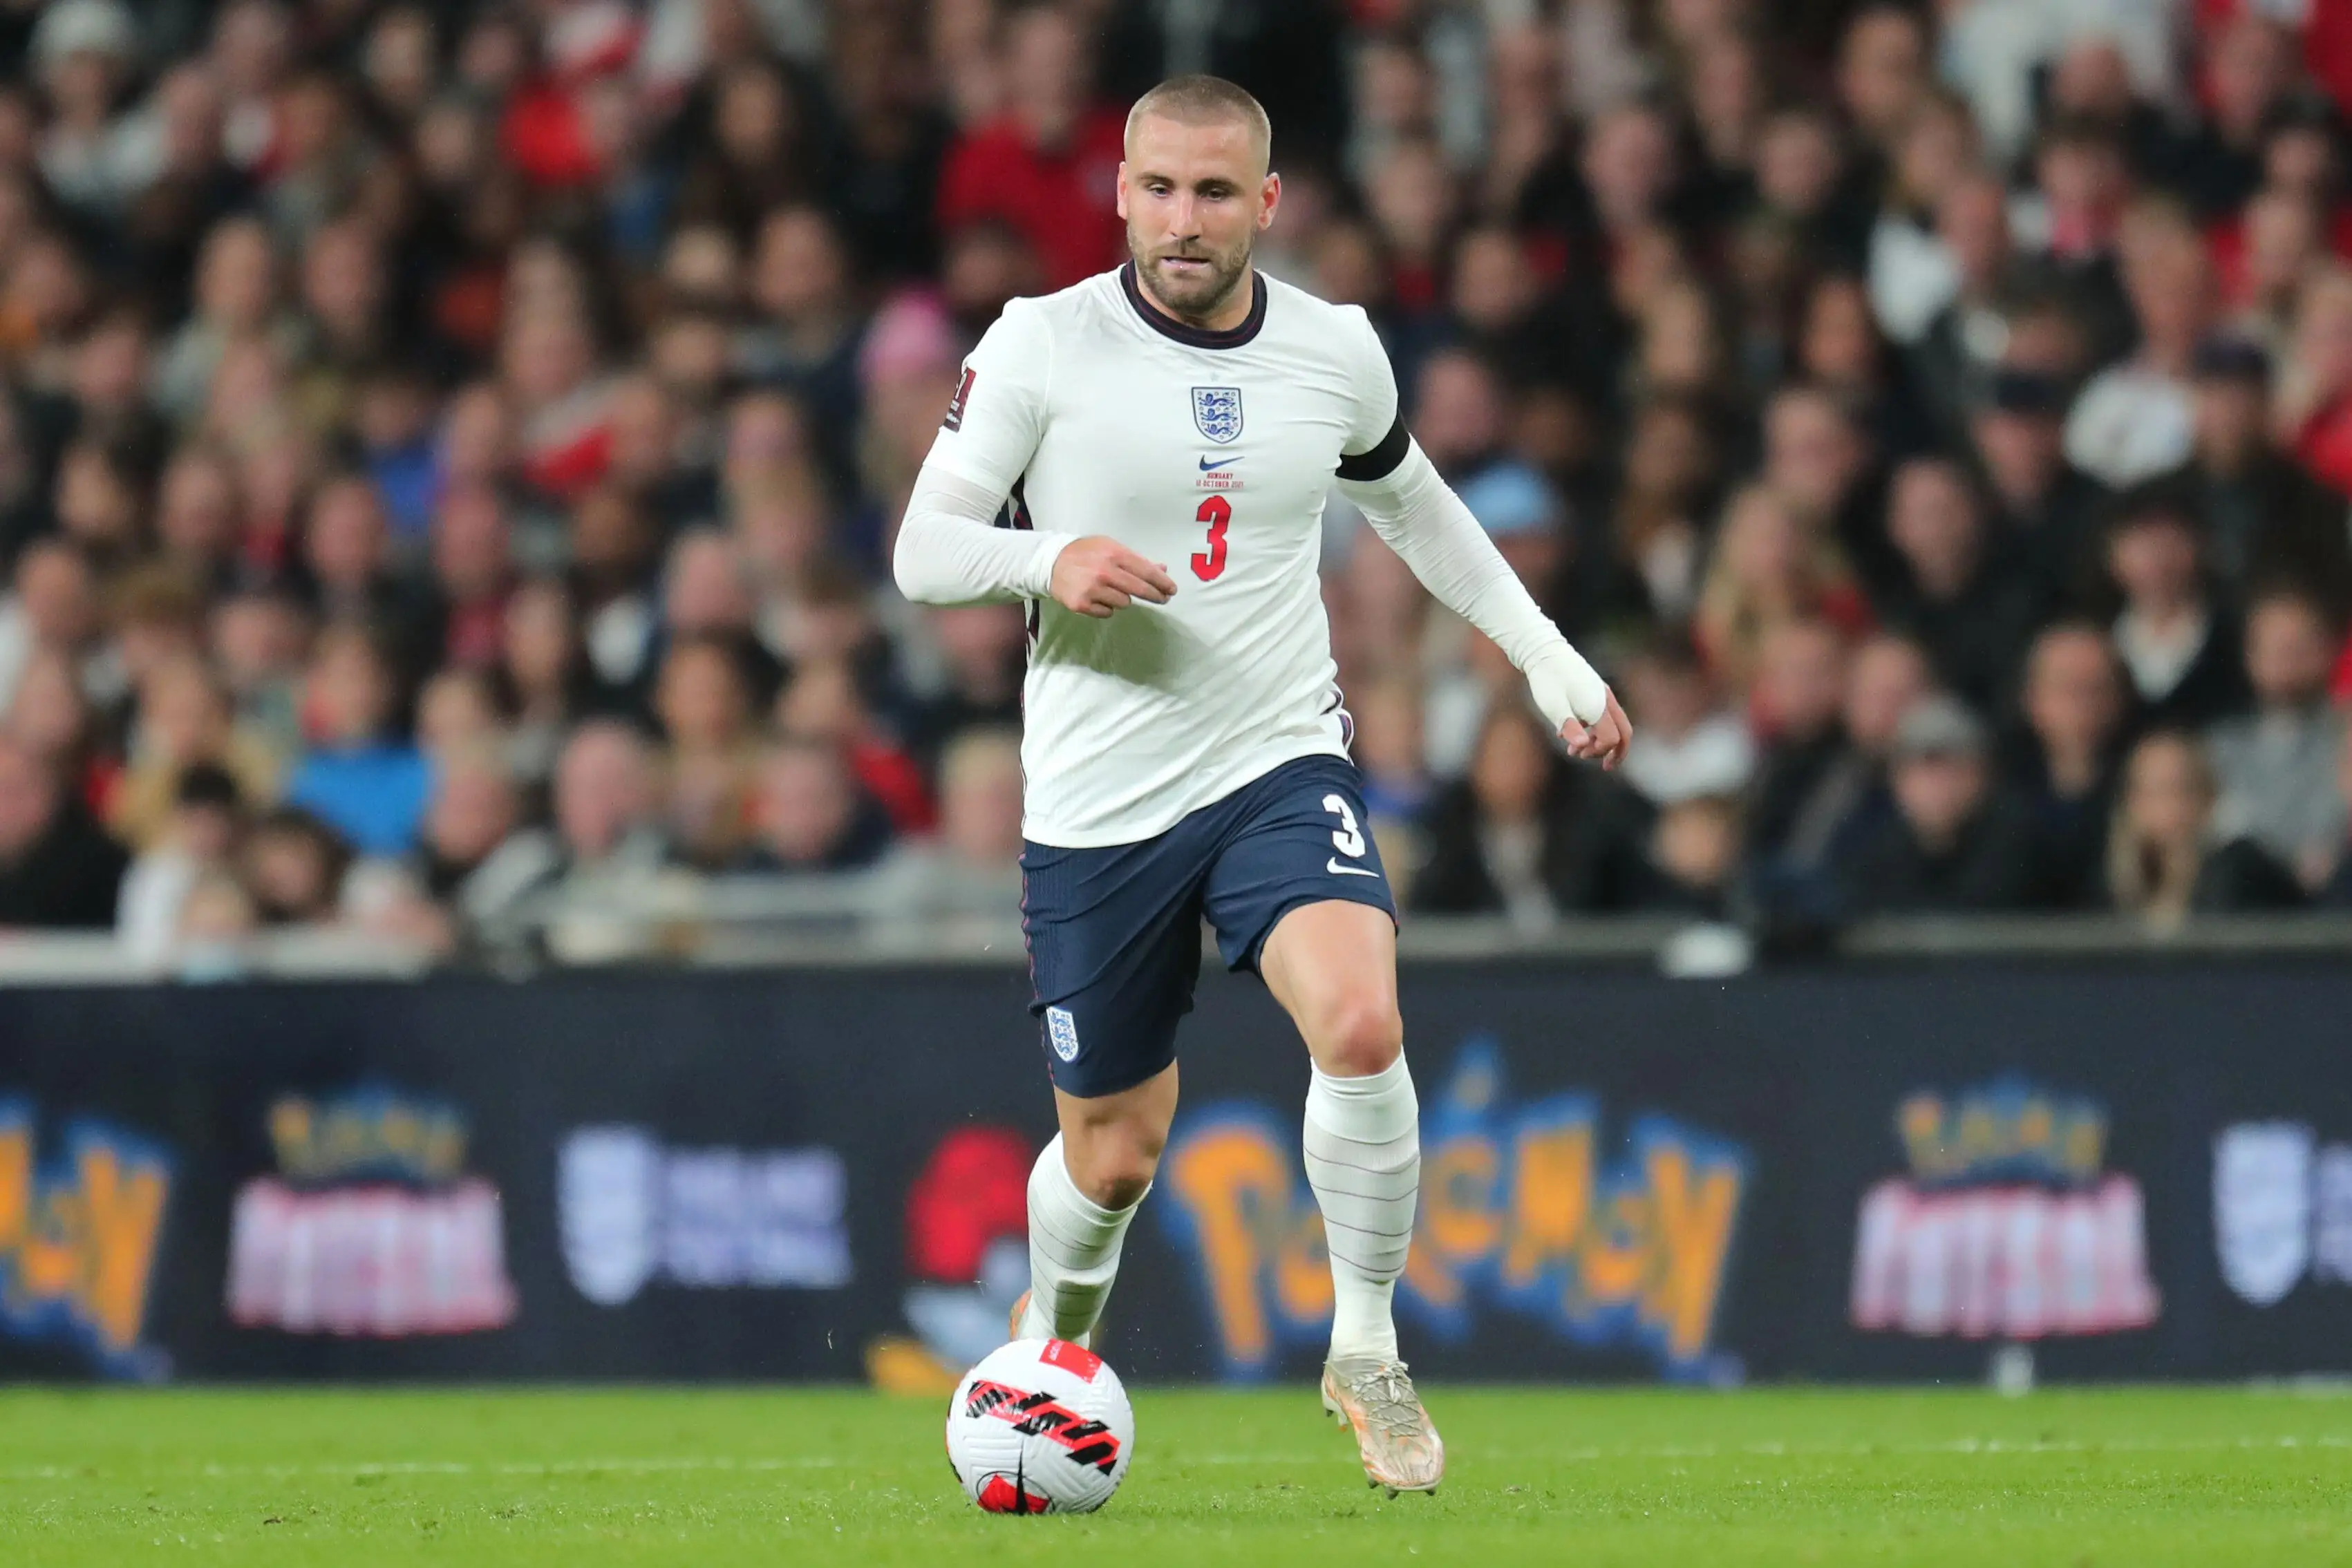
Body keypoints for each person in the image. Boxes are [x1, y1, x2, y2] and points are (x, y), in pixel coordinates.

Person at [890, 75, 1629, 1496]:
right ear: (1119, 191)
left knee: (1359, 1018)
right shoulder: (1044, 344)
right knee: (1112, 1161)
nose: (1185, 218)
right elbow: (927, 548)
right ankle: (1057, 1335)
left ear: (1267, 205)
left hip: (1279, 756)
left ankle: (1365, 1348)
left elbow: (1418, 507)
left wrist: (1546, 663)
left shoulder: (1336, 352)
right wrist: (1050, 560)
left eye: (1216, 193)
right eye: (1159, 188)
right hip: (1102, 805)